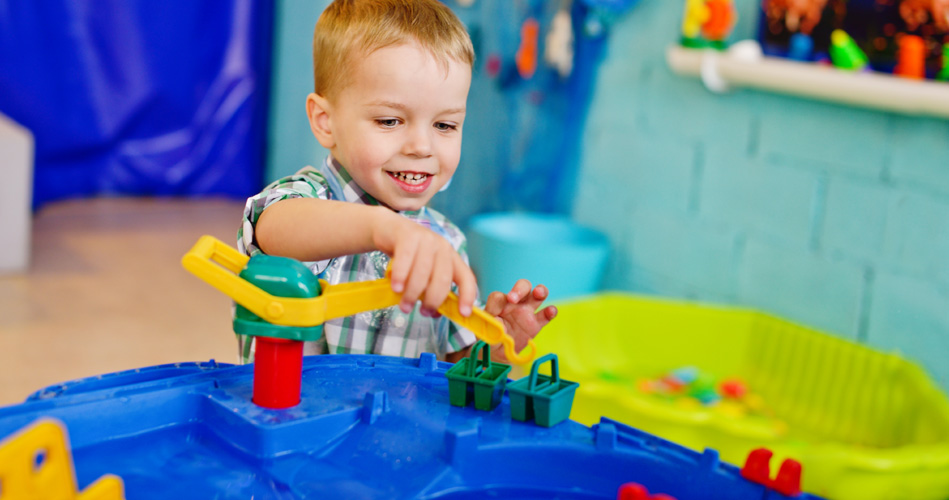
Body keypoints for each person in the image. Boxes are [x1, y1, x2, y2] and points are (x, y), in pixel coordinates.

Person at [237, 0, 557, 364]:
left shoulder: (447, 244)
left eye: (444, 125)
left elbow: (453, 366)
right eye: (390, 121)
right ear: (326, 121)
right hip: (293, 418)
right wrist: (382, 228)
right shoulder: (306, 198)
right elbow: (272, 227)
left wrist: (495, 348)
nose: (422, 147)